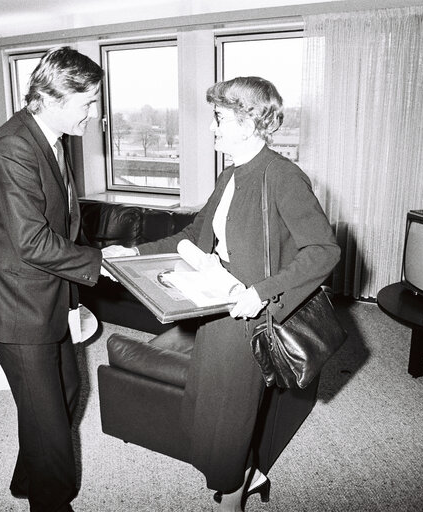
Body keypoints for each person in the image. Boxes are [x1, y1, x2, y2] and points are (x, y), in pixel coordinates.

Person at [102, 76, 341, 511]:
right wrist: (134, 252)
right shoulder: (230, 174)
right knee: (205, 409)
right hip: (215, 307)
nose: (213, 128)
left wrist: (263, 292)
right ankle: (252, 474)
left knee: (225, 422)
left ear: (250, 122)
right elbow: (194, 234)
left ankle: (234, 493)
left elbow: (323, 250)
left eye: (220, 119)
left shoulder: (283, 176)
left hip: (249, 315)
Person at [0, 46, 103, 512]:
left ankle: (26, 478)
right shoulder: (14, 145)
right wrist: (98, 262)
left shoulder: (52, 136)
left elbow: (62, 219)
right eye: (87, 103)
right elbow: (32, 242)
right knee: (49, 424)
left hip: (46, 297)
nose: (94, 114)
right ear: (50, 96)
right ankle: (50, 500)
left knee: (67, 389)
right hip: (16, 306)